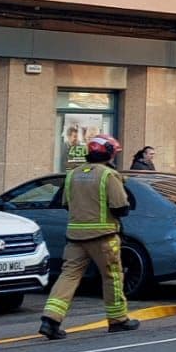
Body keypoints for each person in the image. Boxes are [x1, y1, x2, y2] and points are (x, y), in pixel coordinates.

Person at [40, 135, 140, 340]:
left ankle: (50, 319)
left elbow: (65, 203)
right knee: (112, 276)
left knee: (69, 276)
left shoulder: (73, 174)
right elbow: (120, 207)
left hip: (75, 237)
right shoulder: (108, 175)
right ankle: (118, 320)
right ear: (109, 153)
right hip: (104, 237)